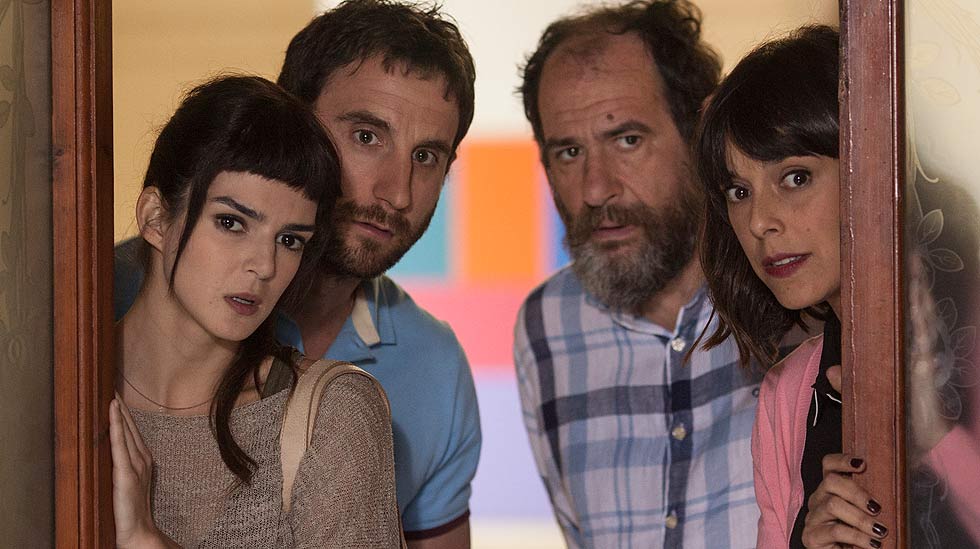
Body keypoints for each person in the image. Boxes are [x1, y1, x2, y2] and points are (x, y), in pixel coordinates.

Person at [115, 1, 480, 546]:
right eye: (366, 136)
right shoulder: (94, 293)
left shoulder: (436, 367)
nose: (397, 192)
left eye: (425, 156)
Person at [695, 24, 980, 549]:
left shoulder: (971, 341)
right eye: (738, 191)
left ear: (873, 167)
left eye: (795, 177)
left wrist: (933, 436)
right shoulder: (788, 393)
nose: (758, 221)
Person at [512, 2, 767, 547]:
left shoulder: (788, 289)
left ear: (699, 133)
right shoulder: (547, 326)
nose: (595, 188)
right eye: (569, 151)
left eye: (627, 140)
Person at [109, 75, 401, 547]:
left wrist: (146, 539)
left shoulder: (332, 417)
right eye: (232, 222)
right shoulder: (49, 393)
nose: (265, 266)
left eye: (289, 240)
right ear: (156, 218)